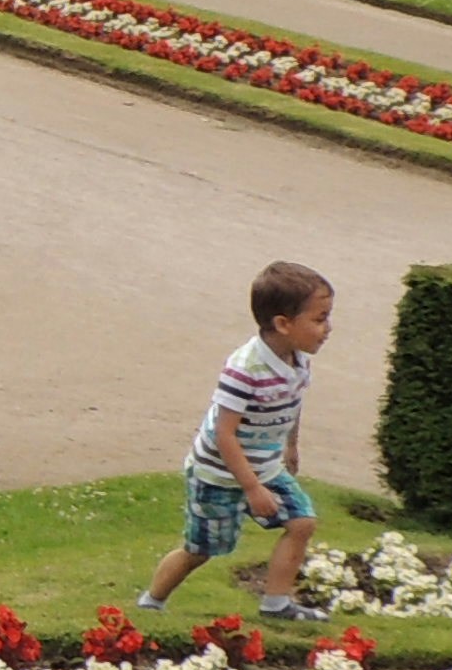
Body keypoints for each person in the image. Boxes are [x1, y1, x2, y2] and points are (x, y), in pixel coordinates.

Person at [140, 262, 335, 622]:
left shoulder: (299, 361)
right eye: (319, 319)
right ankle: (151, 602)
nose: (328, 329)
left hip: (266, 466)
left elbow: (292, 403)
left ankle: (276, 604)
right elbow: (222, 433)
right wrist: (252, 489)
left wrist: (291, 446)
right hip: (219, 474)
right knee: (201, 550)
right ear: (283, 324)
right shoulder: (243, 370)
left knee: (302, 522)